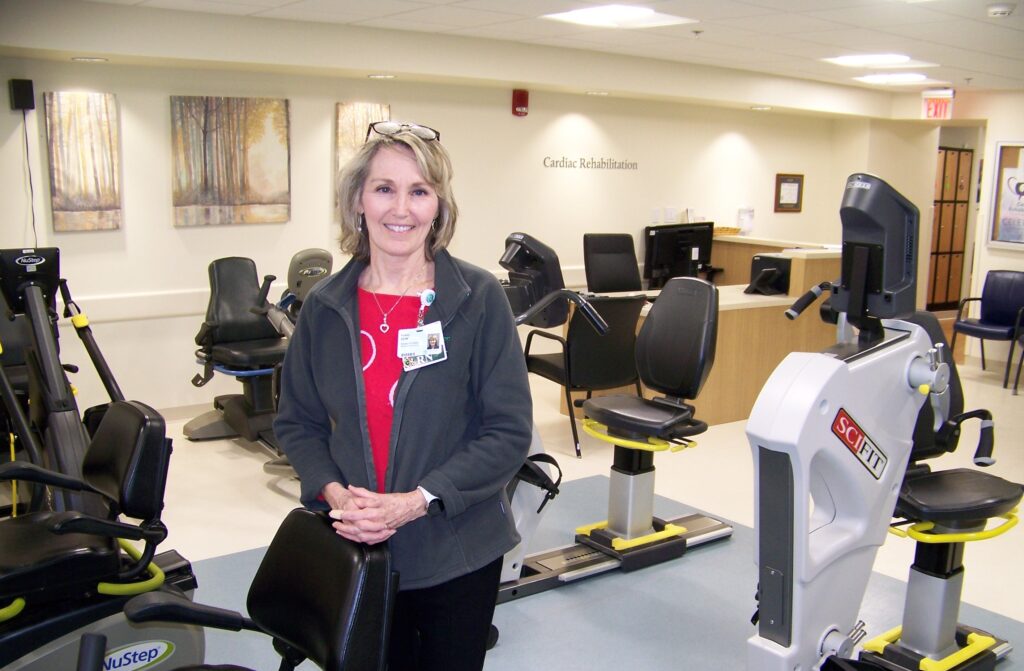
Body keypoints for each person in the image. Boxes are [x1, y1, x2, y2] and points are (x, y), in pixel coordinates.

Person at [274, 120, 532, 671]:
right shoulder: (324, 307)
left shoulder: (477, 298)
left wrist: (417, 500)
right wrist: (339, 498)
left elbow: (508, 430)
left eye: (419, 191)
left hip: (455, 548)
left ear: (438, 205)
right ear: (358, 201)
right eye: (384, 188)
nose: (402, 208)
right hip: (354, 546)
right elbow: (298, 423)